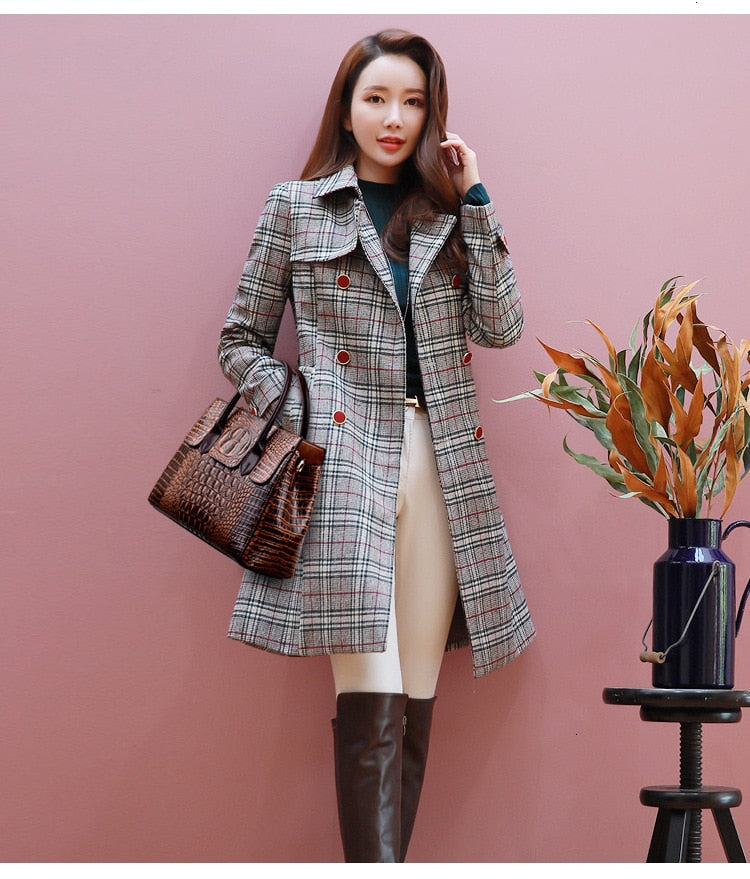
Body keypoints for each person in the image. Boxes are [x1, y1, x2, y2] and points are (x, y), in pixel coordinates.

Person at [218, 29, 535, 862]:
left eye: (413, 101)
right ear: (347, 108)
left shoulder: (447, 211)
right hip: (343, 464)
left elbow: (501, 327)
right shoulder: (296, 206)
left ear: (432, 115)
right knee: (372, 685)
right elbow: (240, 340)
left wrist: (476, 197)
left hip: (440, 462)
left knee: (417, 693)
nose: (394, 117)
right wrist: (303, 405)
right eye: (377, 98)